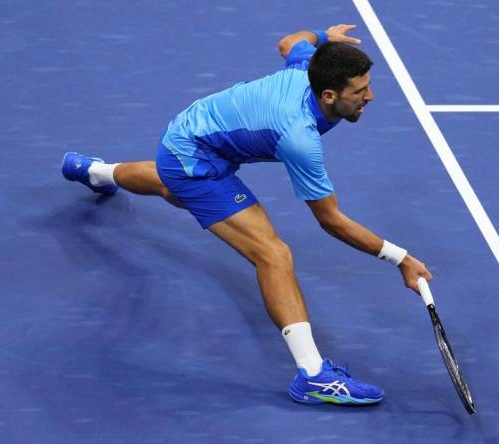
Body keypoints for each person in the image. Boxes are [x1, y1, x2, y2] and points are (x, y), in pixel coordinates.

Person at [62, 24, 432, 406]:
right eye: (359, 91)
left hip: (193, 130)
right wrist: (399, 257)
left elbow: (292, 41)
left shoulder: (305, 67)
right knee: (272, 253)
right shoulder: (299, 138)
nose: (370, 96)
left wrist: (325, 36)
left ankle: (91, 170)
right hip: (197, 156)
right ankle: (313, 376)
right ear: (328, 94)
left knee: (171, 185)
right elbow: (330, 220)